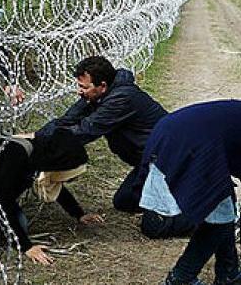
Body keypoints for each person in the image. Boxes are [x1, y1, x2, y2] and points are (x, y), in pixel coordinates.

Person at [137, 78, 241, 285]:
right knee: (218, 219)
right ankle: (181, 277)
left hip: (166, 136)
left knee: (223, 209)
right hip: (193, 149)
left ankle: (229, 272)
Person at [31, 56, 167, 212]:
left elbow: (84, 131)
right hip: (147, 161)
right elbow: (68, 119)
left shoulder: (121, 99)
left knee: (151, 219)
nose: (79, 91)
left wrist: (40, 143)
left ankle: (181, 197)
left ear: (102, 86)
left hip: (163, 159)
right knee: (125, 201)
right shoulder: (101, 94)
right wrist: (37, 136)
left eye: (84, 87)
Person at [0, 128, 104, 265]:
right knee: (20, 225)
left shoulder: (42, 155)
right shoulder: (18, 154)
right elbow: (3, 200)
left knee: (20, 223)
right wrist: (26, 246)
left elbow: (56, 186)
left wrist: (79, 214)